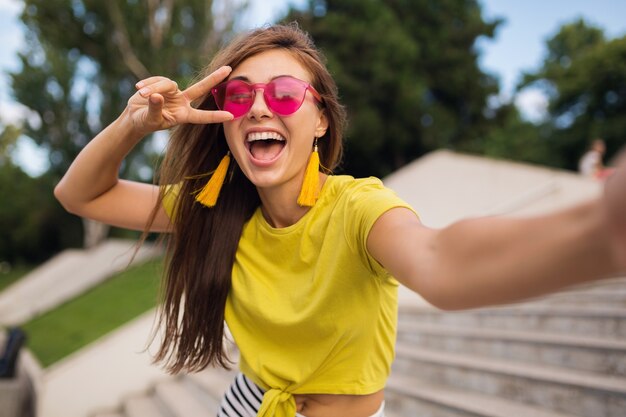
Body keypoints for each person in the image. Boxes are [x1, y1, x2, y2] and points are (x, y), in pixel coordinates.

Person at [54, 23, 626, 417]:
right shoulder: (213, 206)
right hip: (248, 402)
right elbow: (81, 195)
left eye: (282, 94)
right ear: (222, 119)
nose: (257, 107)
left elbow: (440, 260)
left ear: (320, 120)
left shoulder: (358, 208)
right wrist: (135, 125)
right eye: (239, 94)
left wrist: (603, 229)